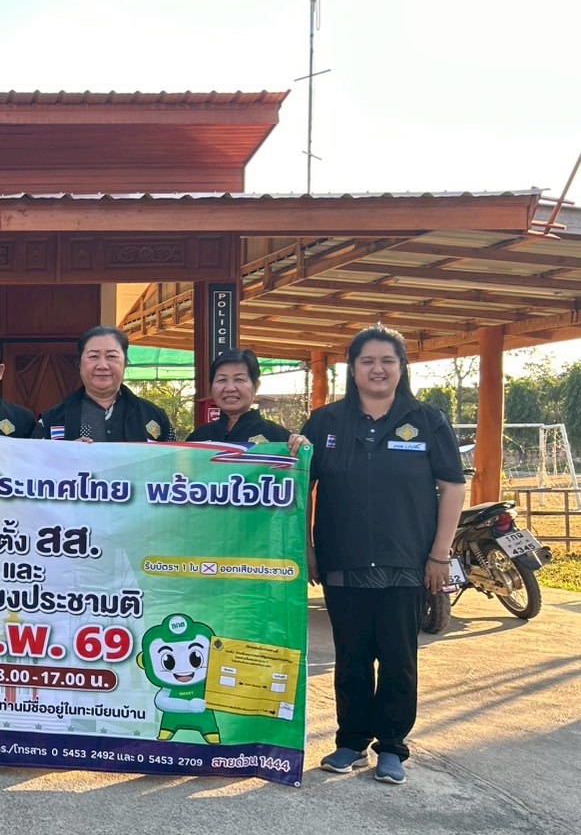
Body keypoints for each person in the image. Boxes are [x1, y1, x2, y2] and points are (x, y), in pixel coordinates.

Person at [302, 325, 464, 786]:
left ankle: (391, 746)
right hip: (343, 560)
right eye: (367, 361)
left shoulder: (427, 420)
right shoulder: (325, 422)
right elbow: (301, 486)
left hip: (407, 561)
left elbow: (453, 486)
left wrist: (439, 554)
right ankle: (350, 742)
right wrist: (307, 546)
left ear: (401, 367)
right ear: (352, 369)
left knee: (399, 659)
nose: (378, 369)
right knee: (351, 658)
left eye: (387, 361)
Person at [32, 326, 176, 442]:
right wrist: (68, 456)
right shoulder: (51, 420)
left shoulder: (154, 416)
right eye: (93, 356)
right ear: (80, 364)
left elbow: (172, 464)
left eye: (111, 356)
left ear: (125, 363)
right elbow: (32, 465)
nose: (102, 365)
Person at [187, 348, 303, 448]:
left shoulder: (279, 439)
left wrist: (303, 449)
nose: (230, 388)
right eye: (222, 380)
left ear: (256, 386)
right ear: (211, 388)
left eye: (239, 379)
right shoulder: (197, 439)